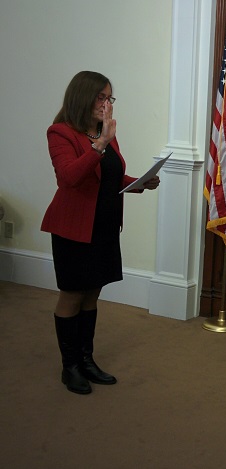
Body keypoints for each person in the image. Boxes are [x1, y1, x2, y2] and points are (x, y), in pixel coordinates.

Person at [42, 71, 160, 395]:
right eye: (102, 98)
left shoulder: (103, 132)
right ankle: (70, 368)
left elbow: (109, 177)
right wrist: (101, 144)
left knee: (93, 292)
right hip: (73, 228)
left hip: (104, 226)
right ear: (84, 96)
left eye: (110, 99)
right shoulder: (61, 132)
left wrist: (139, 183)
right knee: (73, 294)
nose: (107, 104)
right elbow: (69, 178)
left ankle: (87, 360)